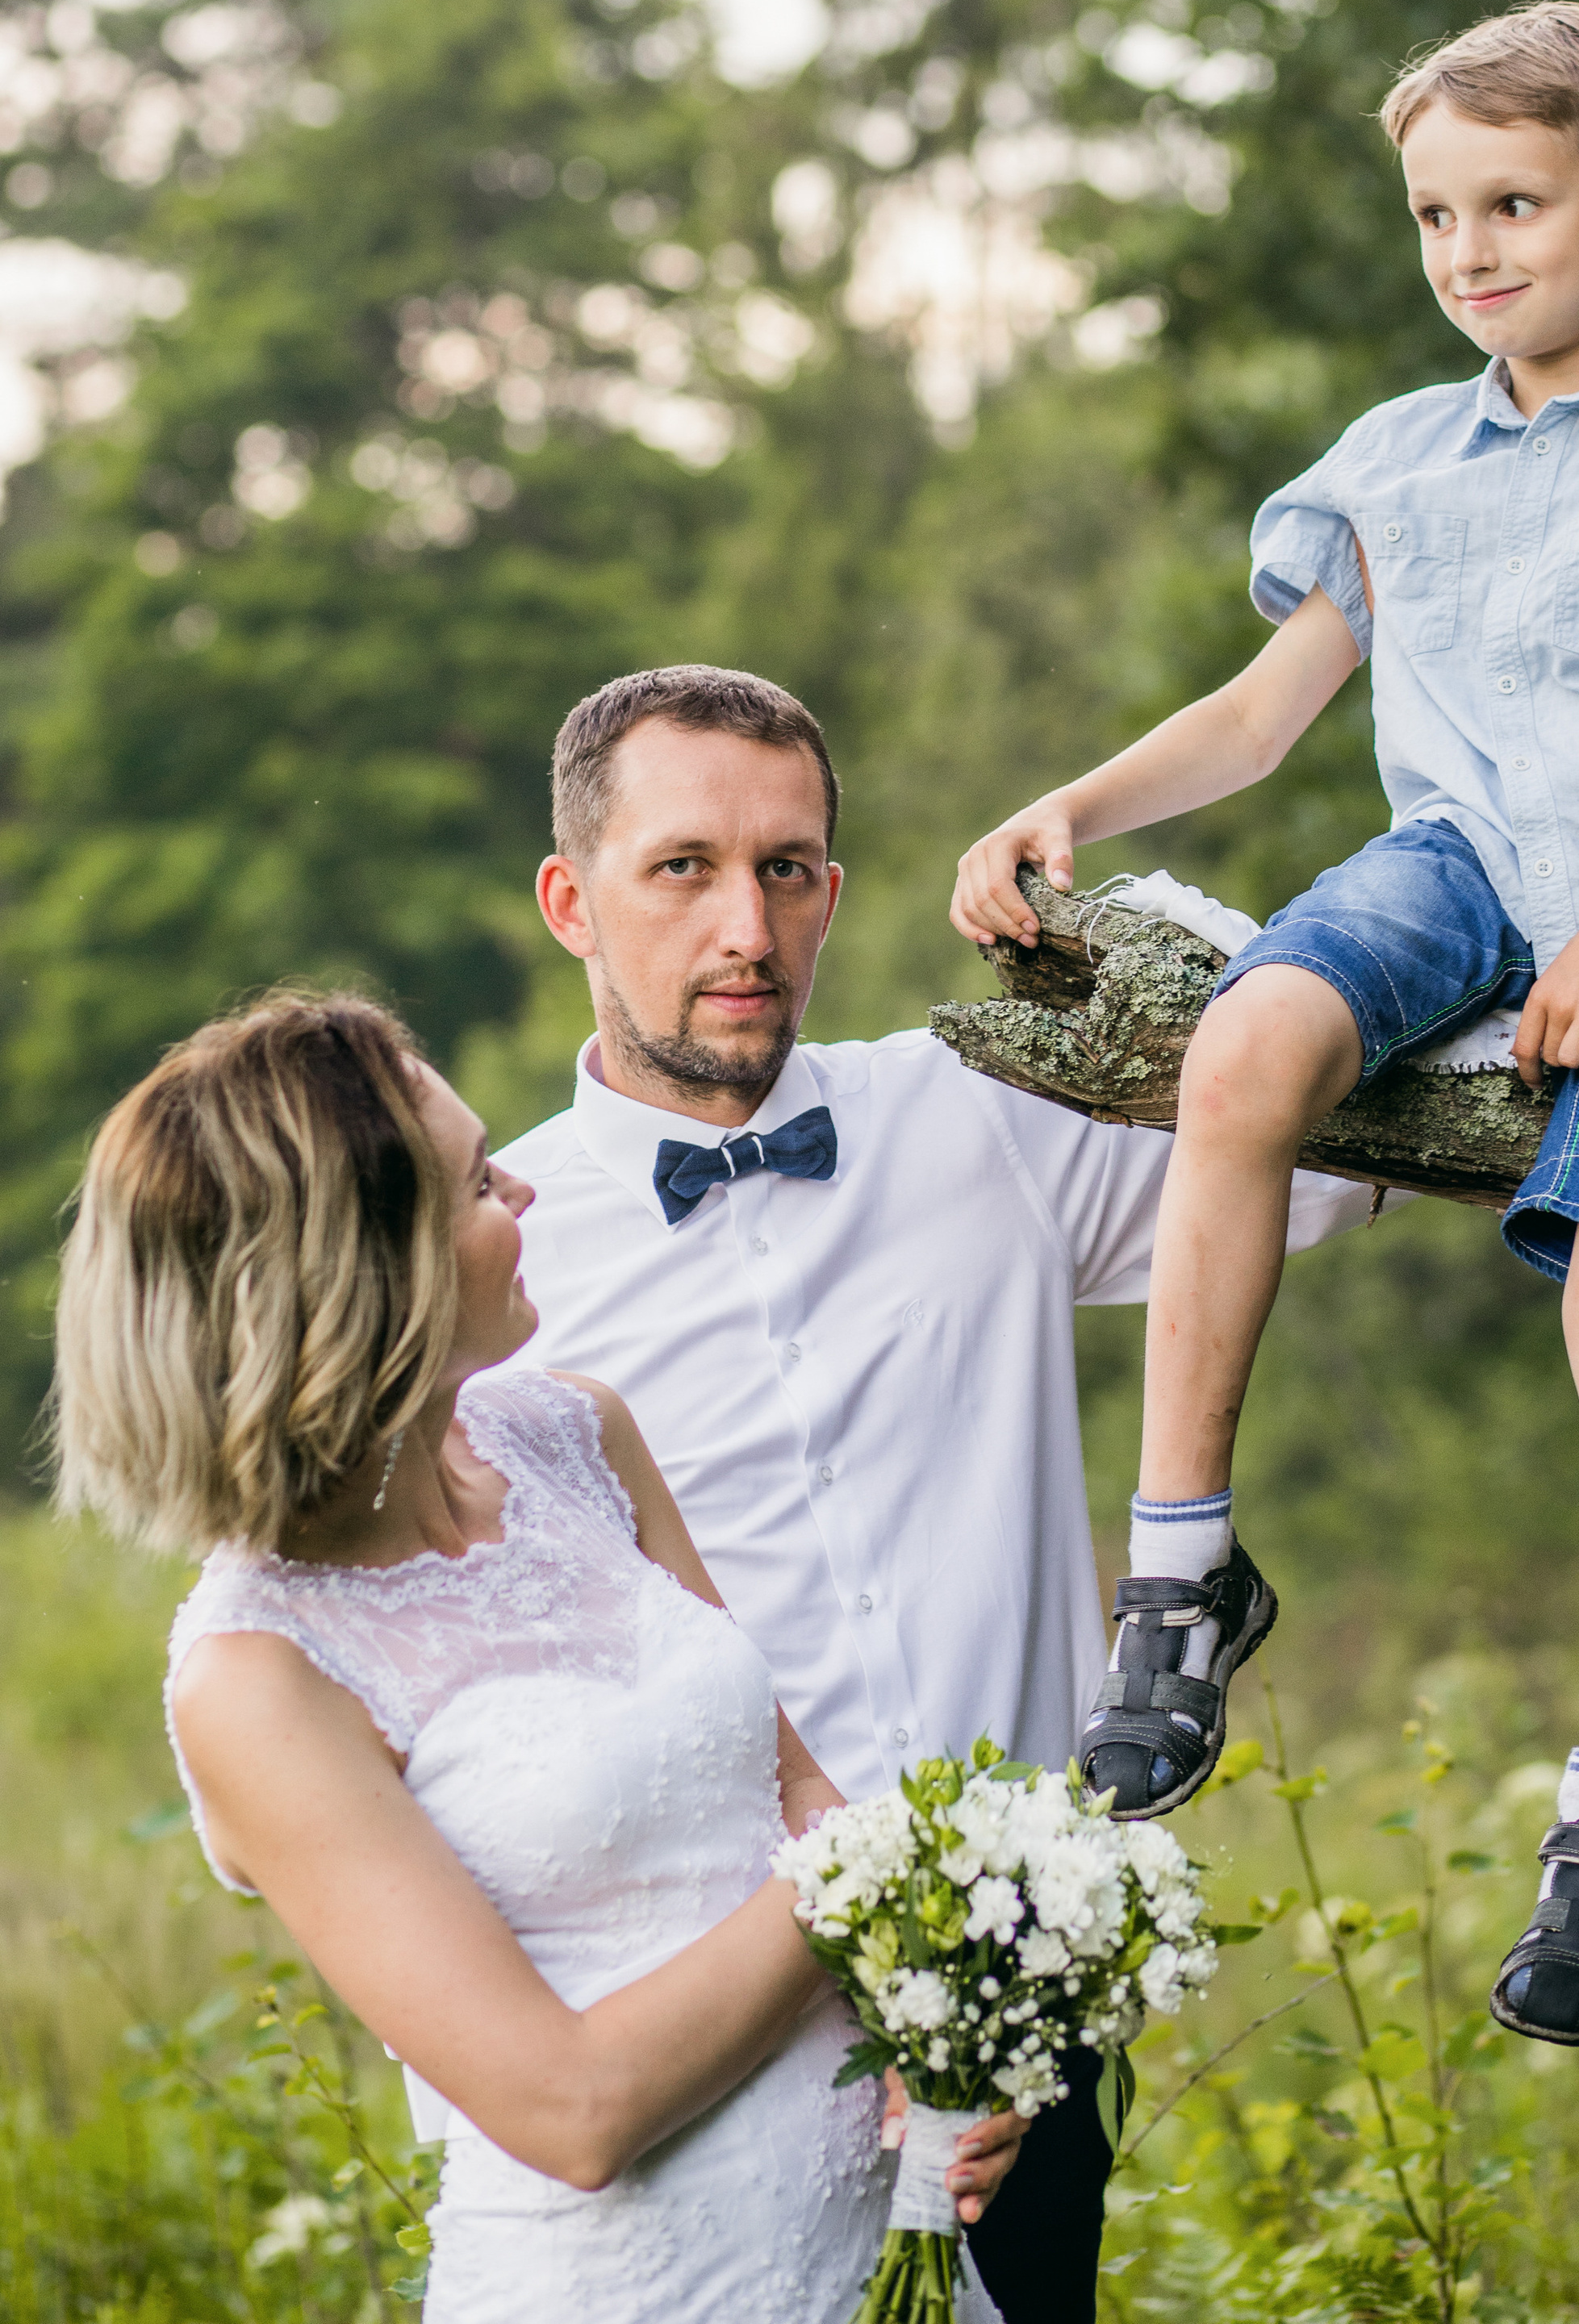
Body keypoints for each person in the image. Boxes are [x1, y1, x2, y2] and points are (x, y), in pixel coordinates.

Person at [951, 1, 1579, 2049]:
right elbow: (1268, 709)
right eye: (1438, 216)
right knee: (1242, 1050)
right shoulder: (1396, 457)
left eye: (1514, 204)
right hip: (1460, 863)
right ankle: (1181, 1574)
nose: (1469, 251)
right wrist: (1074, 807)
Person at [498, 662, 1372, 2318]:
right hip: (701, 2036)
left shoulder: (989, 1113)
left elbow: (1326, 1151)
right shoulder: (494, 1253)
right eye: (680, 869)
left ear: (835, 890)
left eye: (787, 869)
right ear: (571, 901)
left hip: (1025, 2028)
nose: (744, 930)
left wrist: (1115, 906)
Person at [52, 991, 1022, 2322]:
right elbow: (575, 2107)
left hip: (886, 2240)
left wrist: (933, 2025)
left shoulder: (577, 1438)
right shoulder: (261, 1673)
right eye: (472, 1183)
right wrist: (871, 1879)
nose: (522, 1191)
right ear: (358, 1276)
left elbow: (796, 1784)